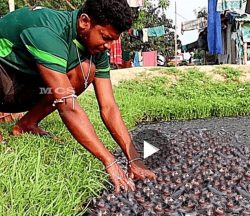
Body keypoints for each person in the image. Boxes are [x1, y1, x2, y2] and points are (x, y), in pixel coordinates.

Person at [0, 0, 156, 193]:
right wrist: (109, 160)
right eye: (106, 37)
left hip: (20, 82)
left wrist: (135, 159)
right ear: (84, 21)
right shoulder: (48, 30)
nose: (108, 46)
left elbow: (108, 107)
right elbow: (68, 106)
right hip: (4, 76)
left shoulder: (94, 49)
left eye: (112, 40)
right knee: (64, 90)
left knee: (85, 70)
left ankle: (26, 125)